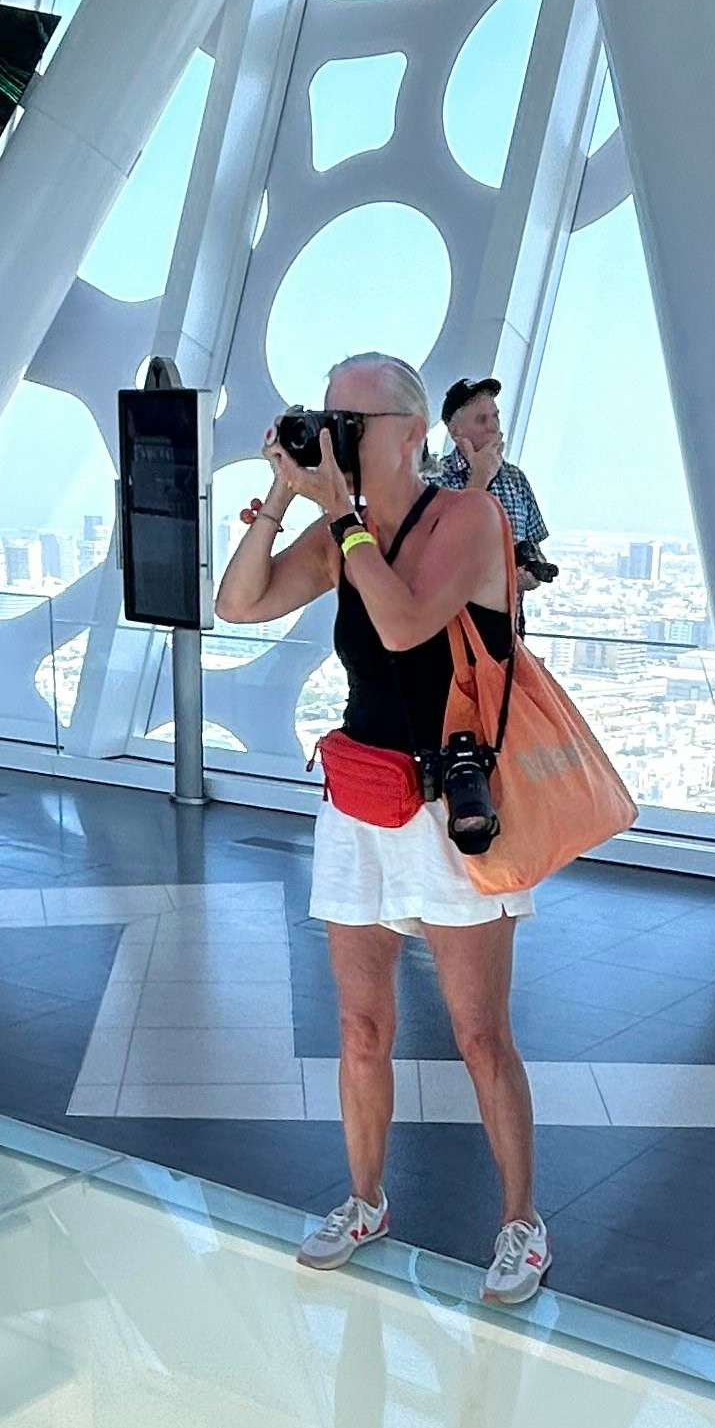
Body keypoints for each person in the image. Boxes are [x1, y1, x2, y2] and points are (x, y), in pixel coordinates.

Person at [215, 353, 550, 1305]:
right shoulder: (341, 531)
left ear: (409, 433)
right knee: (360, 1027)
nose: (336, 436)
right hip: (360, 802)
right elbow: (238, 603)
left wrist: (342, 519)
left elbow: (403, 624)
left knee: (480, 1036)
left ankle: (522, 1222)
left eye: (350, 423)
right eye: (329, 420)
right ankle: (364, 1201)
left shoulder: (468, 520)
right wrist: (286, 499)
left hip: (454, 809)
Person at [431, 376, 556, 595]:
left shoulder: (515, 479)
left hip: (510, 615)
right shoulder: (433, 481)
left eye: (495, 416)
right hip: (454, 614)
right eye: (481, 420)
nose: (493, 427)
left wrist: (530, 576)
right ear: (455, 432)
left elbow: (534, 548)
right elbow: (436, 555)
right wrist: (480, 477)